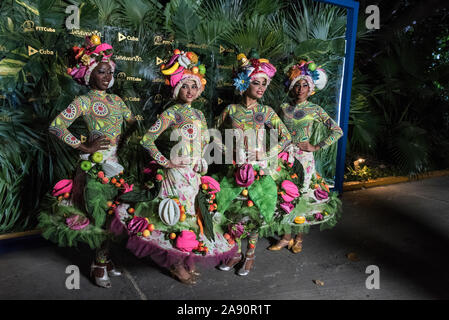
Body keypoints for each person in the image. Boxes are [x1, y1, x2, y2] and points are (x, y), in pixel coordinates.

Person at [110, 50, 237, 285]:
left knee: (190, 216)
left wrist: (201, 161)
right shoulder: (171, 112)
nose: (190, 91)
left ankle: (186, 258)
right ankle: (175, 264)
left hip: (193, 176)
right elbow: (147, 140)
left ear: (199, 90)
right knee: (174, 217)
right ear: (178, 89)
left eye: (194, 86)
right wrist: (166, 161)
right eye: (185, 86)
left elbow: (203, 142)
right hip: (175, 175)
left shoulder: (199, 113)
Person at [38, 35, 135, 288]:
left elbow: (132, 126)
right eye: (100, 72)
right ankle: (99, 264)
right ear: (89, 75)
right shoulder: (84, 101)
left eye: (109, 72)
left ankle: (104, 257)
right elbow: (56, 126)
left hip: (118, 167)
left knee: (117, 216)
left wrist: (131, 141)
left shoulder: (117, 101)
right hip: (94, 170)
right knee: (102, 217)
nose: (106, 76)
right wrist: (84, 146)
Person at [215, 50, 292, 276]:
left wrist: (266, 154)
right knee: (235, 213)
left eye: (264, 84)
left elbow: (286, 137)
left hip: (257, 171)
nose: (260, 87)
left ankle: (250, 255)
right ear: (244, 82)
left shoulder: (266, 112)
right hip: (234, 169)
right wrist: (227, 151)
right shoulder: (230, 110)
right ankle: (236, 253)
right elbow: (214, 134)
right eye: (256, 82)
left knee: (254, 212)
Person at [268, 60, 343, 253]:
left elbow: (336, 131)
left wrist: (316, 146)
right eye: (297, 85)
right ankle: (285, 237)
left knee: (301, 196)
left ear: (311, 88)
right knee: (284, 195)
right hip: (284, 158)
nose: (301, 89)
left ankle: (298, 238)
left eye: (305, 85)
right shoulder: (284, 107)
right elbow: (273, 128)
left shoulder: (315, 109)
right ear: (292, 88)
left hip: (304, 159)